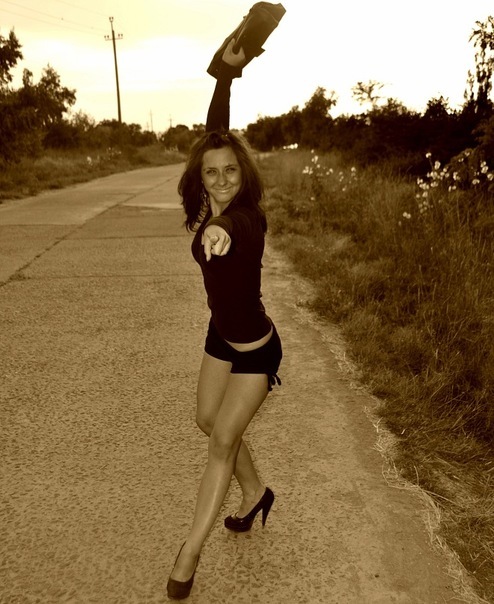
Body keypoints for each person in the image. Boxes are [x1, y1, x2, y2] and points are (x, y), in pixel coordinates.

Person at [166, 38, 282, 600]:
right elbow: (217, 135)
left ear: (244, 173)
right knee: (207, 419)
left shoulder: (245, 219)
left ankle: (189, 553)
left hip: (256, 349)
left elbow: (232, 228)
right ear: (201, 176)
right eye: (211, 172)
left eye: (231, 170)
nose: (221, 178)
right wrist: (224, 79)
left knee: (220, 443)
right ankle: (255, 490)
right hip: (221, 335)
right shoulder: (213, 193)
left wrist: (218, 231)